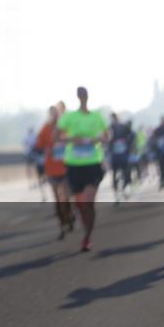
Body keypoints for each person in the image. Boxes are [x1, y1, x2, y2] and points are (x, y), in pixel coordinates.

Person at [56, 86, 108, 252]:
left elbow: (107, 136)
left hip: (93, 163)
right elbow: (57, 136)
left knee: (89, 200)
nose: (83, 97)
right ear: (77, 96)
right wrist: (72, 139)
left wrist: (98, 138)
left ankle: (87, 237)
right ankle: (84, 226)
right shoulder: (69, 117)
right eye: (80, 94)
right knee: (81, 204)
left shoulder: (97, 116)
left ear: (87, 96)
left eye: (84, 94)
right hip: (74, 165)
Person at [35, 105, 73, 239]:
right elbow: (38, 146)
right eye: (52, 113)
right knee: (57, 199)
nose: (55, 116)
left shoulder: (65, 127)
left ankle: (69, 215)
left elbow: (73, 141)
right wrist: (45, 149)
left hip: (66, 167)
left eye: (56, 113)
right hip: (51, 169)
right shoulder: (45, 129)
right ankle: (62, 224)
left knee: (66, 196)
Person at [108, 113, 135, 205]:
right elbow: (106, 139)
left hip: (123, 154)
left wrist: (128, 144)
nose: (113, 120)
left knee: (126, 171)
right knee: (115, 174)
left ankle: (125, 188)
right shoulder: (109, 128)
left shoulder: (123, 127)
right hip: (115, 155)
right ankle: (117, 196)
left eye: (114, 118)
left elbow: (132, 135)